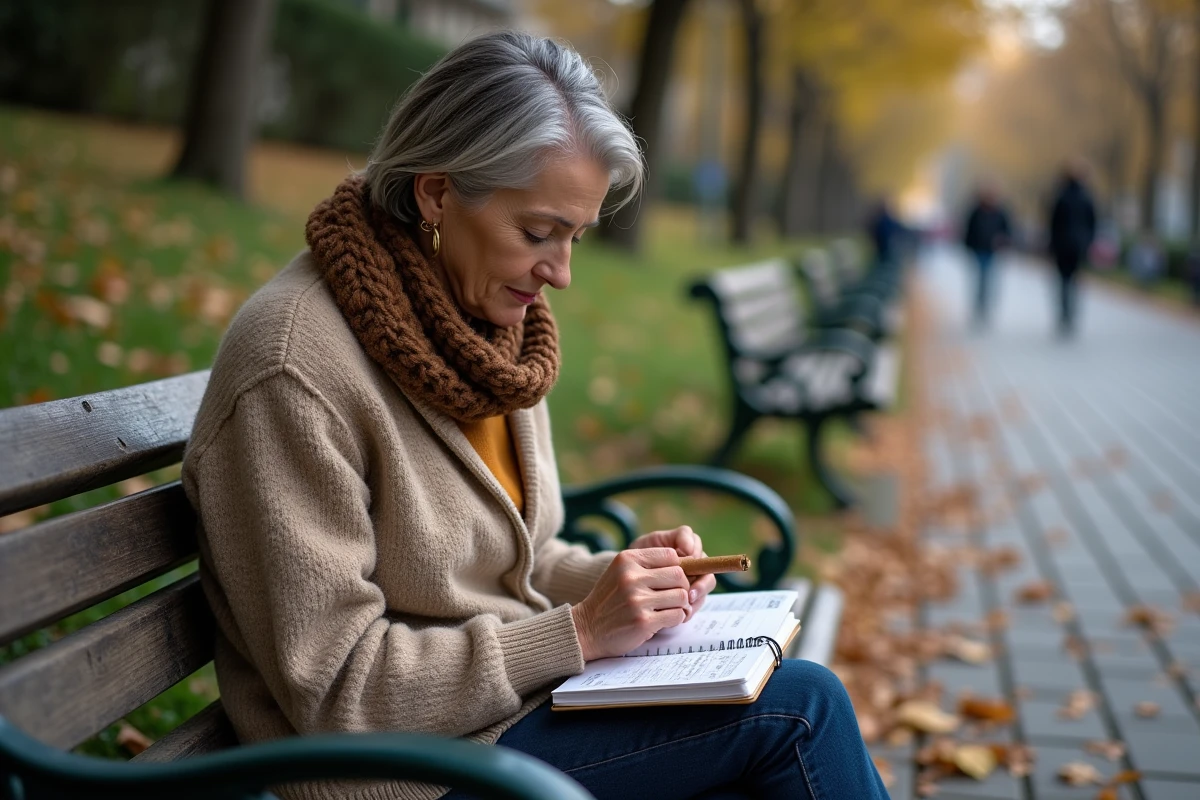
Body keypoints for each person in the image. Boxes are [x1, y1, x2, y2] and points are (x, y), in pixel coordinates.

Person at [181, 32, 888, 800]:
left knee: (770, 728)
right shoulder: (296, 368)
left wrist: (627, 588)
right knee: (801, 714)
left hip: (504, 721)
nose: (562, 273)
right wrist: (581, 633)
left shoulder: (488, 335)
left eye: (576, 237)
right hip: (404, 773)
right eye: (538, 233)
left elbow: (523, 560)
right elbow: (338, 690)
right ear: (436, 194)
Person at [1046, 161, 1097, 336]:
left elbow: (1052, 223)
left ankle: (1064, 314)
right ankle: (1070, 314)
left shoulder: (1060, 195)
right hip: (1078, 246)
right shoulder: (1086, 196)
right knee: (1073, 281)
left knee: (1063, 281)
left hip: (1062, 245)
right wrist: (1088, 241)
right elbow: (1092, 223)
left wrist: (1051, 245)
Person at [961, 184, 1012, 328]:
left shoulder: (1000, 212)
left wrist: (1003, 241)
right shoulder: (976, 211)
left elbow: (1007, 230)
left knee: (989, 279)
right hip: (978, 250)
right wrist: (969, 247)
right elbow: (969, 231)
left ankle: (985, 307)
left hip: (992, 250)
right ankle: (979, 307)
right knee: (980, 279)